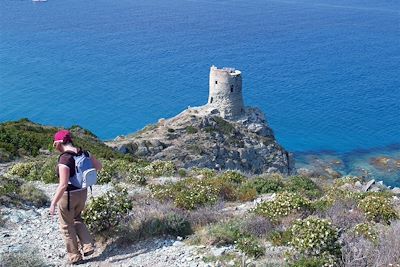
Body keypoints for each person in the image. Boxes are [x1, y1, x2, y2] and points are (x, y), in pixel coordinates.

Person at [50, 129, 102, 265]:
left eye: (55, 144)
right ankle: (88, 246)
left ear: (59, 143)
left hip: (68, 196)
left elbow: (62, 185)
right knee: (77, 219)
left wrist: (53, 203)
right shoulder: (85, 153)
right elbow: (99, 167)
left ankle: (75, 256)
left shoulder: (64, 159)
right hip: (83, 192)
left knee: (67, 226)